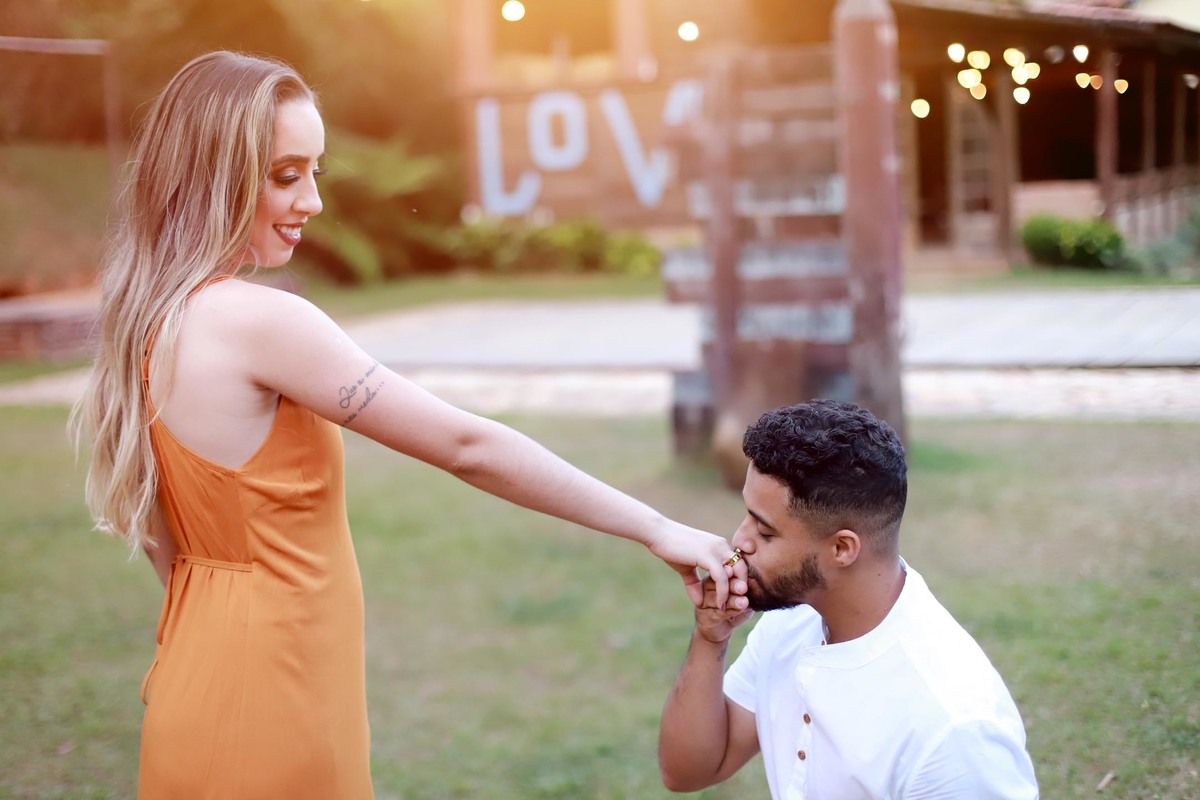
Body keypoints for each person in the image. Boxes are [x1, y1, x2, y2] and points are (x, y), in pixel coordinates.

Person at [71, 50, 747, 799]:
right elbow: (467, 446)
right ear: (214, 175)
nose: (312, 201)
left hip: (193, 685)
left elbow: (168, 546)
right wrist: (656, 527)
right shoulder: (259, 322)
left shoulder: (148, 321)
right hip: (273, 701)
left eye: (315, 171)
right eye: (285, 174)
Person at [658, 400, 1039, 798]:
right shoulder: (794, 617)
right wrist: (710, 638)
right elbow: (688, 772)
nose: (740, 540)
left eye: (765, 532)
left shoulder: (952, 730)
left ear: (841, 549)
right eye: (747, 515)